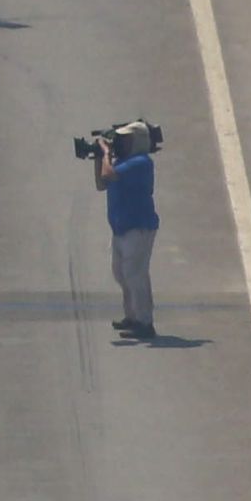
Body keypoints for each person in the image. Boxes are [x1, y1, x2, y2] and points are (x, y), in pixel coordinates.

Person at [95, 121, 161, 340]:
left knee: (136, 275)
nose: (120, 143)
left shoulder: (140, 162)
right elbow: (101, 183)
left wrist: (105, 153)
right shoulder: (122, 162)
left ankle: (145, 322)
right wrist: (99, 156)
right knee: (121, 274)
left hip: (138, 227)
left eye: (125, 139)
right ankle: (132, 316)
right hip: (122, 227)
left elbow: (108, 176)